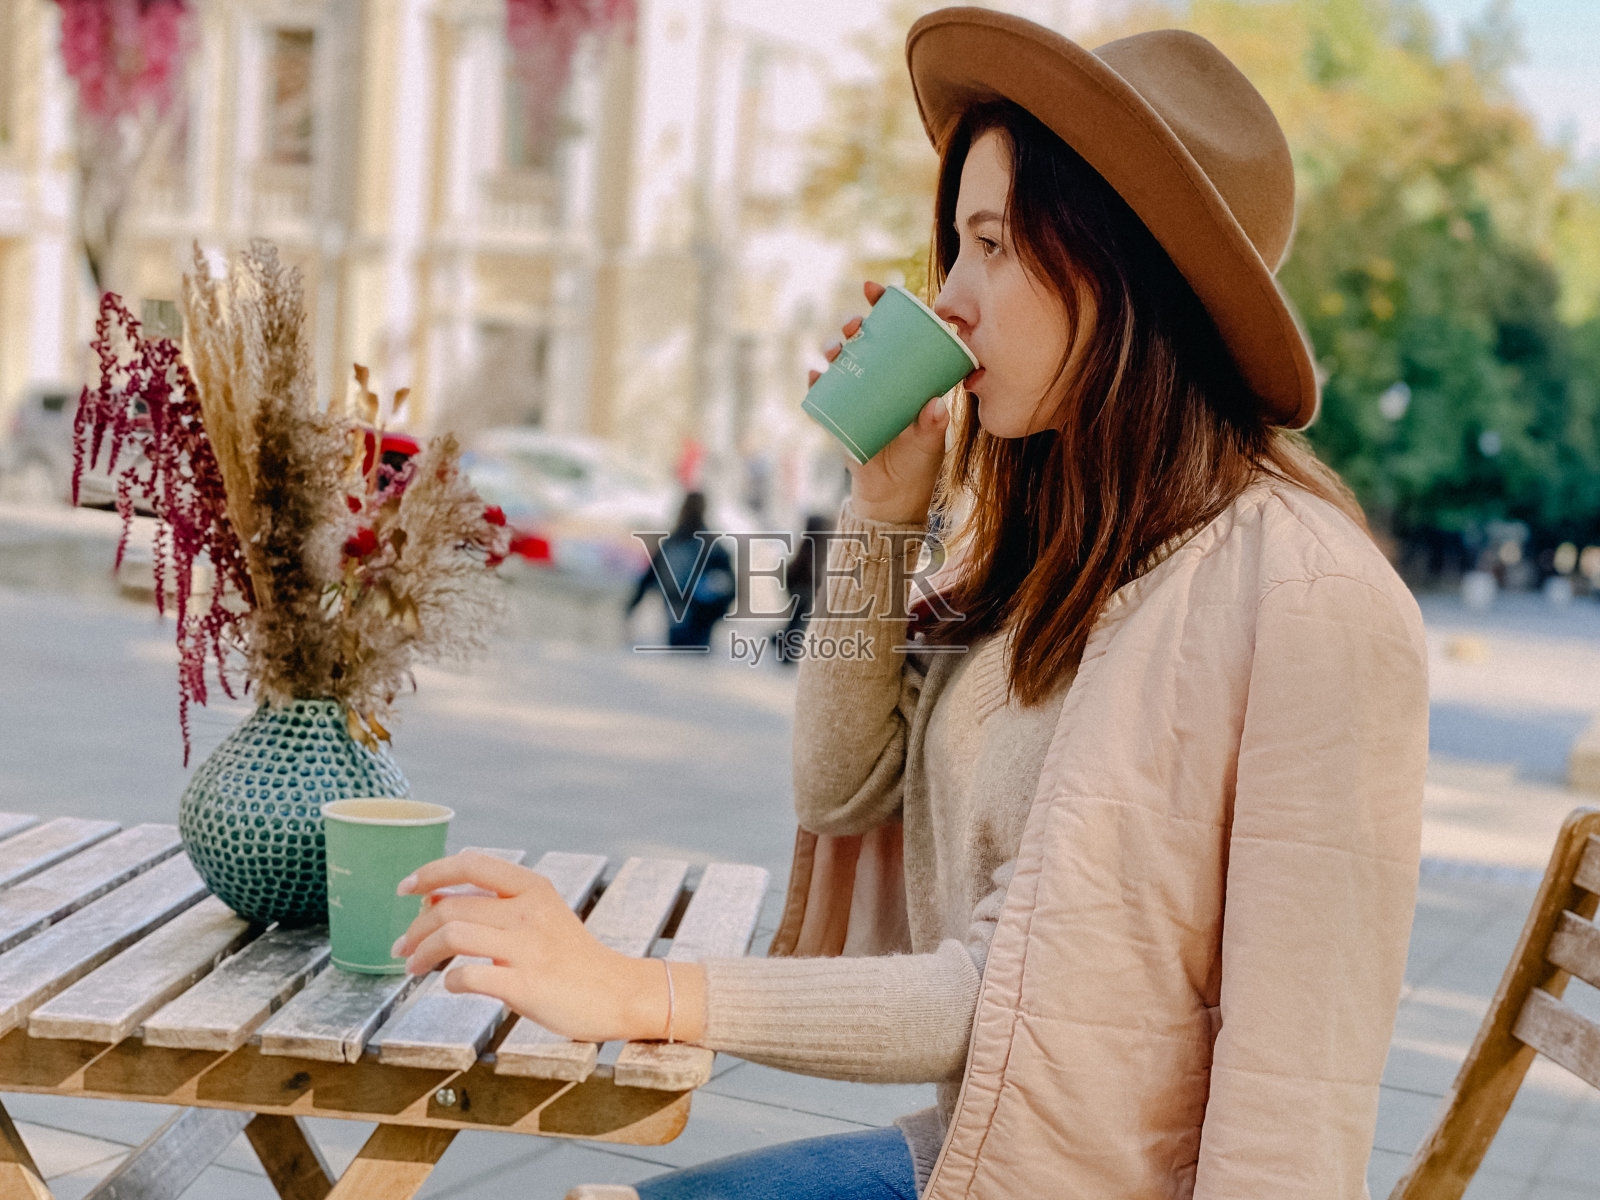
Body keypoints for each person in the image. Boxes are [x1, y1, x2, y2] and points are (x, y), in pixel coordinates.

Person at [391, 10, 1428, 1198]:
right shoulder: (1065, 551)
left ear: (1122, 269)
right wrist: (881, 516)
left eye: (993, 245)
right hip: (984, 1161)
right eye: (957, 247)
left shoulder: (1306, 599)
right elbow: (839, 793)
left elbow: (1073, 1016)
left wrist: (636, 989)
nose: (952, 301)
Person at [624, 490, 736, 650]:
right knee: (694, 654)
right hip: (698, 613)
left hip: (681, 609)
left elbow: (649, 576)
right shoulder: (711, 544)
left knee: (681, 652)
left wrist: (632, 606)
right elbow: (730, 583)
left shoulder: (673, 543)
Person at [772, 514, 830, 666]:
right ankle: (787, 651)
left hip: (797, 584)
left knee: (796, 618)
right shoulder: (819, 548)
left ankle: (781, 642)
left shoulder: (807, 543)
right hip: (806, 588)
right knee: (799, 621)